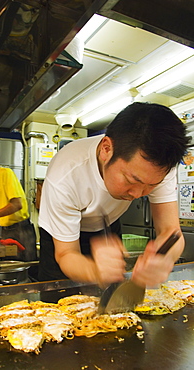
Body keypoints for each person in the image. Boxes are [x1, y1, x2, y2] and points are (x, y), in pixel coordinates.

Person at [38, 102, 191, 288]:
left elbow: (171, 232)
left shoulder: (158, 167)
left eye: (151, 186)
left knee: (115, 297)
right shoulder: (65, 176)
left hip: (107, 225)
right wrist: (95, 271)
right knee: (58, 297)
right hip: (60, 239)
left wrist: (165, 257)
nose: (137, 194)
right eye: (130, 180)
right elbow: (66, 254)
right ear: (106, 149)